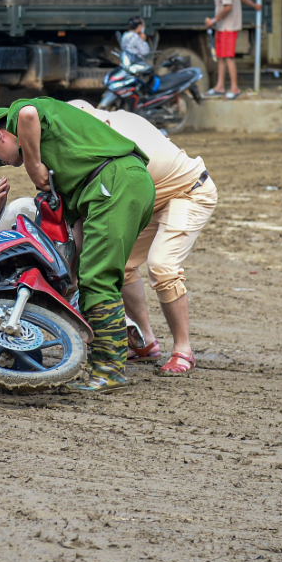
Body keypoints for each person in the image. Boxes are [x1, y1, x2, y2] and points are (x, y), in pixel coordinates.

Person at [0, 98, 154, 392]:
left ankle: (110, 371)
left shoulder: (21, 117)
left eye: (0, 156)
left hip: (113, 183)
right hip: (121, 185)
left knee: (99, 280)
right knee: (91, 276)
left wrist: (33, 165)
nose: (6, 163)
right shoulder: (63, 163)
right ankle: (106, 364)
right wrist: (70, 276)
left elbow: (27, 114)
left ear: (1, 134)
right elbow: (78, 229)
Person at [68, 100, 218, 375]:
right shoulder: (109, 123)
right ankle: (146, 341)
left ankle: (183, 350)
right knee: (121, 265)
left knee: (162, 266)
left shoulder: (116, 137)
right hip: (153, 197)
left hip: (189, 192)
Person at [204, 0, 264, 100]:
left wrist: (213, 20)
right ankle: (220, 86)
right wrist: (255, 6)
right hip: (222, 27)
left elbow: (228, 6)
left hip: (228, 27)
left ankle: (234, 88)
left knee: (228, 57)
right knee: (221, 57)